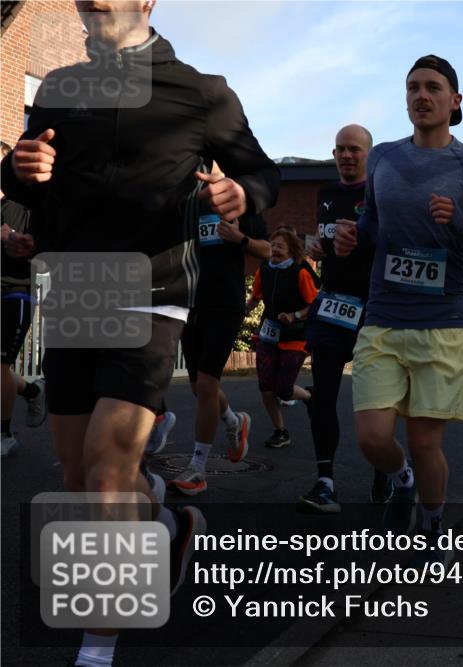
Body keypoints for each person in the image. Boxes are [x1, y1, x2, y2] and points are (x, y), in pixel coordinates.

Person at [0, 2, 279, 665]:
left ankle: (98, 648)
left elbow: (262, 172)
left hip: (154, 293)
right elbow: (34, 185)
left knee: (105, 467)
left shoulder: (201, 91)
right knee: (77, 470)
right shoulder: (63, 88)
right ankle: (167, 519)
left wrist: (242, 191)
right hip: (74, 292)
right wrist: (20, 174)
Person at [334, 55, 463, 564]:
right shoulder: (385, 159)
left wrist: (459, 222)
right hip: (384, 320)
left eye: (433, 87)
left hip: (441, 327)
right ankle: (402, 482)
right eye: (413, 87)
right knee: (372, 438)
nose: (421, 95)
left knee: (424, 441)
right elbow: (371, 228)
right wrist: (352, 238)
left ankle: (434, 525)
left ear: (455, 101)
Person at [296, 124, 390, 513]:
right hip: (333, 304)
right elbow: (326, 242)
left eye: (353, 149)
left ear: (368, 154)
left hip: (372, 307)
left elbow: (396, 242)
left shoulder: (380, 194)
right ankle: (325, 483)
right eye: (339, 149)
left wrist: (366, 241)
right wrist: (317, 248)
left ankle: (387, 469)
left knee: (375, 402)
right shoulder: (327, 193)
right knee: (323, 395)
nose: (346, 155)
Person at [166, 199, 269, 496]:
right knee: (200, 387)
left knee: (209, 383)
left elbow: (266, 250)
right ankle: (235, 422)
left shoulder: (241, 200)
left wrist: (240, 239)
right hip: (191, 301)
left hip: (225, 302)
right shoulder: (187, 203)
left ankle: (197, 469)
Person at [246, 228, 318, 449]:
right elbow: (256, 296)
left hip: (295, 335)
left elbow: (314, 303)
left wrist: (295, 315)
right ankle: (281, 431)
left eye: (280, 246)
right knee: (266, 386)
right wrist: (245, 309)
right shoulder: (265, 269)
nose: (275, 250)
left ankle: (308, 396)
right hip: (269, 333)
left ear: (291, 250)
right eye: (273, 245)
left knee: (283, 388)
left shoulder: (300, 272)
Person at [1, 144, 46, 458]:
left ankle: (5, 436)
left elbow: (46, 249)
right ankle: (32, 390)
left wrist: (17, 239)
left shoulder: (37, 207)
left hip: (17, 290)